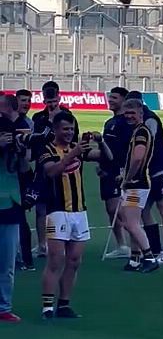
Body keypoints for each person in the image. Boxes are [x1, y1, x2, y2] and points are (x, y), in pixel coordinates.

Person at [38, 112, 112, 319]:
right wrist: (73, 154)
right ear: (55, 130)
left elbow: (108, 158)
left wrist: (101, 141)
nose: (69, 133)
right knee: (55, 259)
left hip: (79, 211)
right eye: (65, 129)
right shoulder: (47, 150)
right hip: (58, 211)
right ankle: (47, 306)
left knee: (74, 260)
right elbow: (51, 171)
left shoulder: (76, 149)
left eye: (72, 129)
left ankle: (64, 304)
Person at [126, 91, 163, 265]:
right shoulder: (138, 122)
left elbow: (148, 144)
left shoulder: (149, 121)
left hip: (159, 169)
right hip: (147, 172)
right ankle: (153, 249)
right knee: (144, 210)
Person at [31, 82, 79, 258]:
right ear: (43, 99)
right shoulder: (38, 118)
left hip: (65, 167)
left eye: (53, 101)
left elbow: (73, 140)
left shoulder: (67, 116)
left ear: (59, 98)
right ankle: (42, 244)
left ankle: (64, 242)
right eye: (47, 101)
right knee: (40, 207)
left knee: (63, 203)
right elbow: (35, 141)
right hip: (44, 165)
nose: (51, 104)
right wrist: (49, 124)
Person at [117, 98, 159, 273]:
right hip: (139, 182)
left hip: (137, 183)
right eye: (126, 113)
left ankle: (149, 257)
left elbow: (138, 157)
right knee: (132, 222)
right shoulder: (139, 131)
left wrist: (127, 178)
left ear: (141, 113)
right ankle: (135, 259)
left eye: (132, 113)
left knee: (130, 223)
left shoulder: (141, 132)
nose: (128, 116)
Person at [99, 87, 132, 259]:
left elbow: (125, 150)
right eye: (110, 96)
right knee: (111, 210)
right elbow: (106, 150)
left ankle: (140, 242)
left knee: (118, 209)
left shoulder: (125, 123)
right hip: (107, 171)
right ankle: (122, 245)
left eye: (114, 97)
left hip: (119, 171)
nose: (110, 100)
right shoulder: (109, 123)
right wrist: (101, 165)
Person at [0, 116, 24, 321]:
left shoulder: (13, 151)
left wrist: (21, 151)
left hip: (11, 207)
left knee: (7, 264)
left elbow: (26, 171)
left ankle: (4, 307)